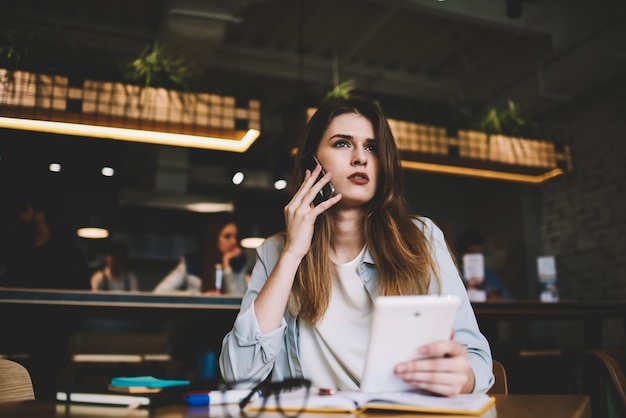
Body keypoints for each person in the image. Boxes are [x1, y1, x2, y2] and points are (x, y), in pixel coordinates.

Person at [219, 97, 494, 396]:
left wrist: (462, 377)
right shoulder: (276, 252)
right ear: (312, 162)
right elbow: (238, 376)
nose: (360, 158)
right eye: (342, 144)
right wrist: (293, 254)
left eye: (372, 147)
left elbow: (477, 359)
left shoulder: (420, 237)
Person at [0, 191, 90, 399]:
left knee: (44, 396)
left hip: (51, 341)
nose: (20, 217)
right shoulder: (15, 250)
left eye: (25, 211)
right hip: (15, 340)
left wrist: (64, 329)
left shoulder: (69, 254)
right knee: (13, 398)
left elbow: (80, 298)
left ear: (40, 214)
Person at [153, 214, 249, 295]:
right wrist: (199, 296)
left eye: (235, 236)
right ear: (214, 238)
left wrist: (227, 266)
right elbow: (160, 292)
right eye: (227, 236)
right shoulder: (192, 262)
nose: (234, 241)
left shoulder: (239, 264)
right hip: (195, 316)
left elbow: (237, 301)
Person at [455, 229, 512, 301]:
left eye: (480, 253)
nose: (477, 257)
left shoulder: (491, 276)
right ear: (460, 254)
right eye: (472, 253)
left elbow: (509, 302)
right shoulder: (452, 276)